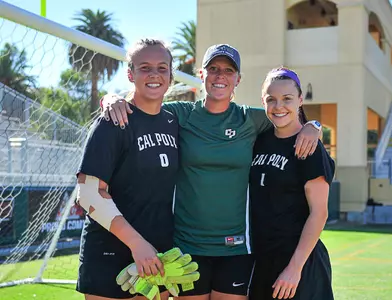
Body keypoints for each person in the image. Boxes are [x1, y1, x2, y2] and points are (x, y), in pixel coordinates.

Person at [100, 44, 323, 300]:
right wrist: (111, 98)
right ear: (201, 74)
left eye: (229, 71)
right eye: (213, 69)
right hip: (186, 247)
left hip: (236, 249)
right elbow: (142, 106)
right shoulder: (179, 114)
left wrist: (313, 125)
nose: (220, 76)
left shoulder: (250, 119)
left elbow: (286, 115)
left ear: (238, 79)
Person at [76, 38, 179, 300]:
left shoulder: (174, 121)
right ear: (130, 74)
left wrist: (302, 125)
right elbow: (88, 195)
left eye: (162, 67)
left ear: (171, 74)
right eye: (145, 67)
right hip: (110, 252)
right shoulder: (112, 121)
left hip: (157, 254)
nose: (154, 74)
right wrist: (136, 244)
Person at [249, 67, 335, 300]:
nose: (279, 107)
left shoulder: (309, 147)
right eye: (271, 100)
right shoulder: (260, 140)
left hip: (298, 264)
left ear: (300, 99)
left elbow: (319, 213)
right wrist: (314, 124)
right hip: (263, 260)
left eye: (287, 99)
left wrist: (294, 269)